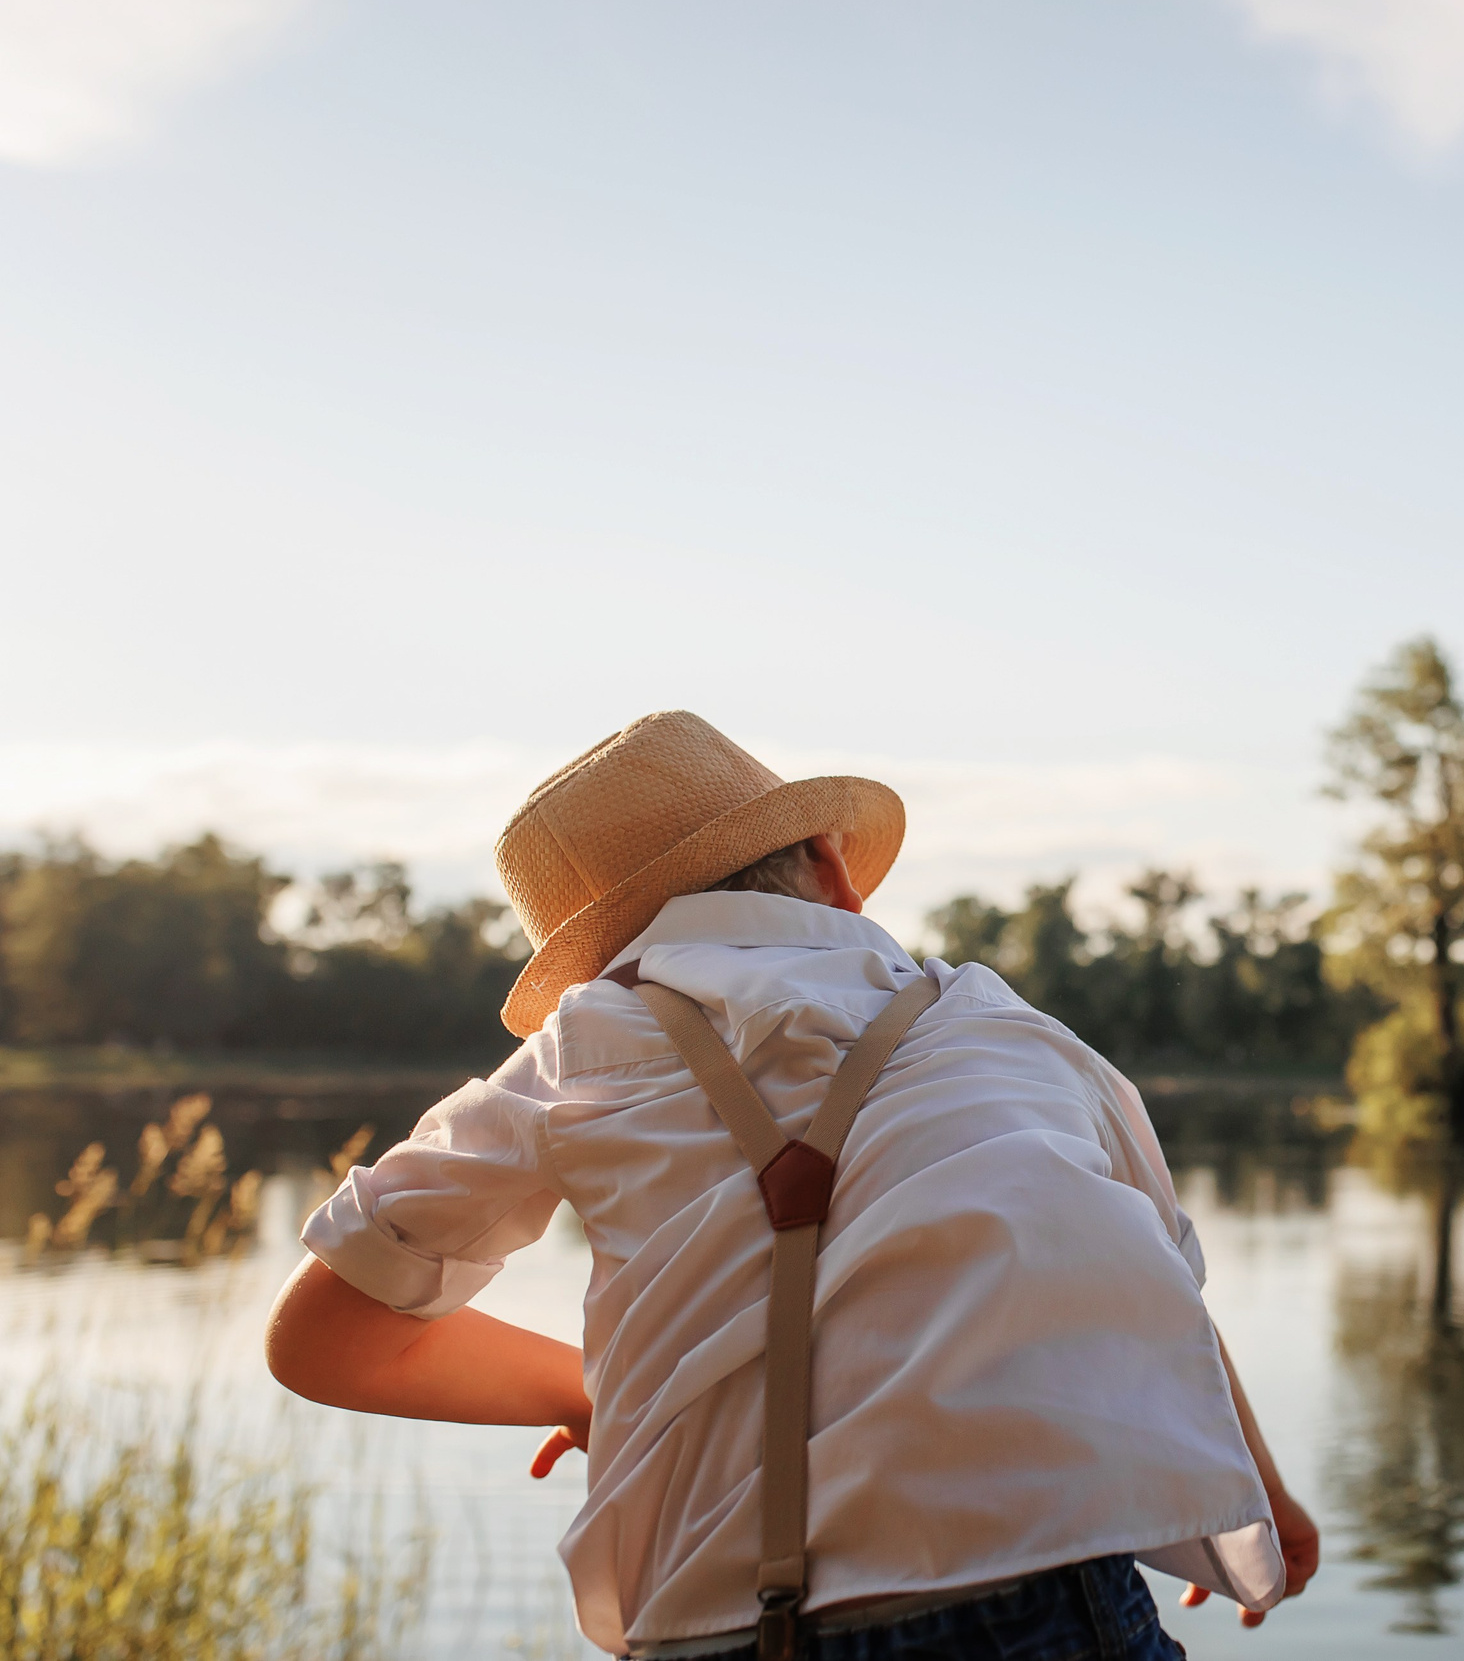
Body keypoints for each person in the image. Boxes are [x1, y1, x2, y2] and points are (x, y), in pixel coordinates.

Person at [265, 710, 1320, 1659]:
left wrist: (581, 1394)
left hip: (718, 1621)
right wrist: (1264, 1499)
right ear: (833, 867)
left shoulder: (577, 1051)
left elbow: (319, 1339)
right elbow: (1160, 1286)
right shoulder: (1013, 1036)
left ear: (593, 964)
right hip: (1033, 1596)